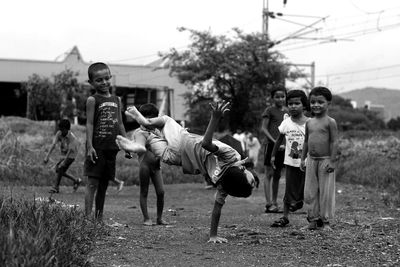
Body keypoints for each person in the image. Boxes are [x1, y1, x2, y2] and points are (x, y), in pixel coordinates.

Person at [117, 101, 256, 243]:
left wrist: (214, 118)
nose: (253, 180)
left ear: (241, 174)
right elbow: (217, 209)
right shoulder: (225, 183)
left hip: (183, 142)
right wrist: (213, 235)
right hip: (177, 159)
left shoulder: (231, 156)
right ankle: (139, 145)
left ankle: (144, 124)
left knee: (166, 120)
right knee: (150, 137)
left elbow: (206, 144)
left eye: (251, 182)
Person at [83, 62, 144, 221]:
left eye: (106, 78)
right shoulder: (92, 100)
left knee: (104, 184)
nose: (104, 83)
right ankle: (87, 220)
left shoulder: (117, 99)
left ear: (111, 78)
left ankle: (98, 219)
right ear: (91, 83)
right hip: (97, 148)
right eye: (99, 80)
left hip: (112, 147)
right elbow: (89, 124)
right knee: (92, 184)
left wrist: (127, 145)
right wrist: (90, 146)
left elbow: (120, 124)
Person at [300, 87, 338, 231]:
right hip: (311, 160)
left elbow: (334, 142)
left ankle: (326, 221)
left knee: (326, 192)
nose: (316, 105)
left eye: (320, 102)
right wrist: (302, 159)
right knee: (310, 192)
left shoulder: (330, 122)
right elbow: (305, 141)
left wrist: (332, 161)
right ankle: (312, 220)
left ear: (329, 103)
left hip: (325, 160)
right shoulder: (309, 122)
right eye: (313, 102)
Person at [270, 89, 308, 227]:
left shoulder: (309, 123)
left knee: (305, 188)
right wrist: (273, 155)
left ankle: (312, 215)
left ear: (304, 105)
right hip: (290, 161)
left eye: (296, 103)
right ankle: (285, 216)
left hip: (306, 163)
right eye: (290, 104)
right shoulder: (286, 122)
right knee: (288, 190)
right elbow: (279, 139)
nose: (293, 106)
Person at [133, 104, 168, 226]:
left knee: (161, 192)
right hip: (145, 166)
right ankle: (146, 218)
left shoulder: (157, 132)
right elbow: (137, 147)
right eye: (147, 118)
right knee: (144, 191)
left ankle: (159, 217)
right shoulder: (139, 132)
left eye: (152, 118)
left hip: (156, 165)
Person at [261, 87, 288, 213]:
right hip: (271, 144)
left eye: (282, 96)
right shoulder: (269, 110)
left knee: (277, 174)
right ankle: (268, 203)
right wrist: (274, 141)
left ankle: (275, 202)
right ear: (273, 98)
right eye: (277, 96)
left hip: (283, 147)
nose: (280, 99)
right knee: (269, 173)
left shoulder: (287, 112)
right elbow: (264, 128)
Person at [44, 119, 82, 193]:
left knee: (60, 168)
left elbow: (70, 150)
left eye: (62, 129)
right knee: (58, 170)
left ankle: (56, 187)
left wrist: (64, 161)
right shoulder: (59, 133)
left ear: (67, 129)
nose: (61, 131)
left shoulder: (71, 137)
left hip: (71, 154)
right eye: (60, 129)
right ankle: (76, 180)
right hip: (64, 154)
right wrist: (47, 156)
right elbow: (53, 145)